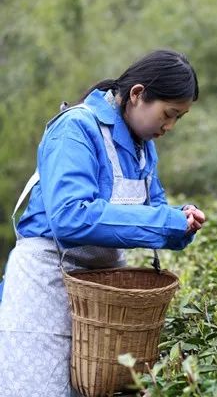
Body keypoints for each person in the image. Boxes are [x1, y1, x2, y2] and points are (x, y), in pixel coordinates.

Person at [0, 49, 206, 396]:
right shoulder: (76, 128)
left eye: (178, 119)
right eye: (168, 114)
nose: (169, 127)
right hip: (47, 283)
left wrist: (181, 223)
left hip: (100, 295)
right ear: (138, 94)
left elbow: (155, 211)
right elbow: (70, 217)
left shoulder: (143, 148)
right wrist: (164, 221)